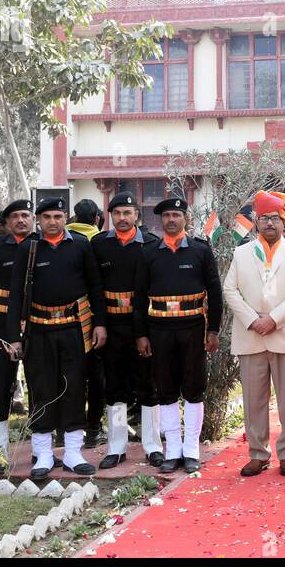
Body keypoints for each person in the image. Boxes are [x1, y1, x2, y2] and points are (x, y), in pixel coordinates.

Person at [5, 198, 107, 479]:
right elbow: (15, 294)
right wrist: (14, 337)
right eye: (47, 216)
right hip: (38, 331)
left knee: (75, 387)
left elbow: (95, 286)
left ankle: (73, 453)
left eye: (58, 216)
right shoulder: (29, 247)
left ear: (66, 217)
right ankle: (43, 454)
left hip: (74, 329)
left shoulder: (81, 245)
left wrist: (100, 324)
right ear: (39, 220)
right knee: (42, 389)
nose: (52, 221)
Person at [222, 190, 285, 476]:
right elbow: (229, 290)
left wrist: (273, 319)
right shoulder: (241, 252)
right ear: (256, 221)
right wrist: (252, 319)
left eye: (275, 218)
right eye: (264, 218)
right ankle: (258, 453)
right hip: (251, 336)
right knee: (253, 400)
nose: (270, 223)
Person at [134, 196, 223, 474]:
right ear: (160, 221)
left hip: (193, 329)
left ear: (185, 219)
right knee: (166, 388)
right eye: (167, 216)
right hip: (159, 330)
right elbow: (138, 297)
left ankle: (191, 449)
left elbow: (215, 293)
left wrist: (213, 330)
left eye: (176, 215)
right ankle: (172, 450)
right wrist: (141, 334)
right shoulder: (149, 252)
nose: (171, 220)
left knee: (194, 387)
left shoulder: (200, 251)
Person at [93, 192, 162, 468]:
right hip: (111, 326)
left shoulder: (151, 246)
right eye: (117, 213)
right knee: (115, 387)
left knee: (149, 386)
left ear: (137, 216)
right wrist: (99, 324)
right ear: (110, 216)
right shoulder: (98, 245)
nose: (122, 218)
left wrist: (145, 330)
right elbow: (94, 289)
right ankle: (117, 446)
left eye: (127, 213)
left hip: (142, 327)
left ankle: (153, 446)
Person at [0, 199, 35, 475]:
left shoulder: (41, 244)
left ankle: (42, 451)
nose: (21, 220)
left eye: (26, 215)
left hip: (38, 323)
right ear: (6, 222)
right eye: (16, 216)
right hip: (0, 324)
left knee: (40, 384)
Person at [68, 198, 105, 448]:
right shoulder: (100, 241)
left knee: (68, 373)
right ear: (96, 219)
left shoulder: (63, 239)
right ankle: (93, 428)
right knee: (96, 375)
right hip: (94, 317)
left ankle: (67, 427)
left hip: (64, 319)